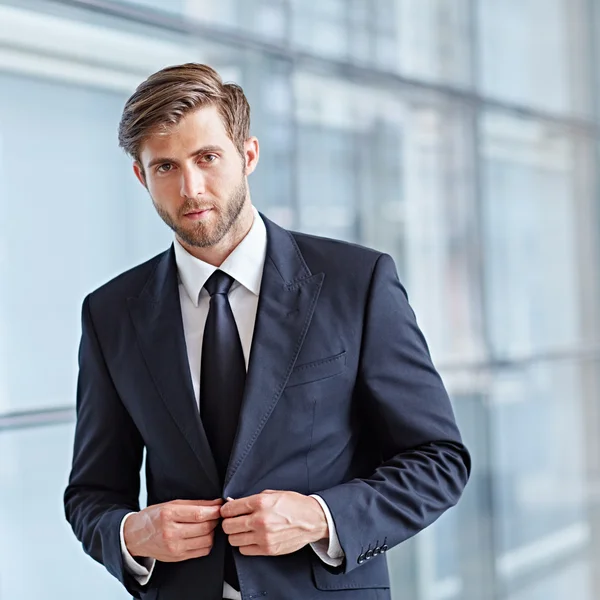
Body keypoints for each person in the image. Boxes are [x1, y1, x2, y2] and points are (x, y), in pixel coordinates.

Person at [64, 63, 470, 600]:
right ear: (142, 177)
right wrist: (130, 534)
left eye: (207, 158)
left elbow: (438, 459)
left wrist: (322, 518)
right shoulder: (111, 313)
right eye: (165, 166)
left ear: (248, 155)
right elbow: (92, 492)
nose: (191, 188)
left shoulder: (358, 283)